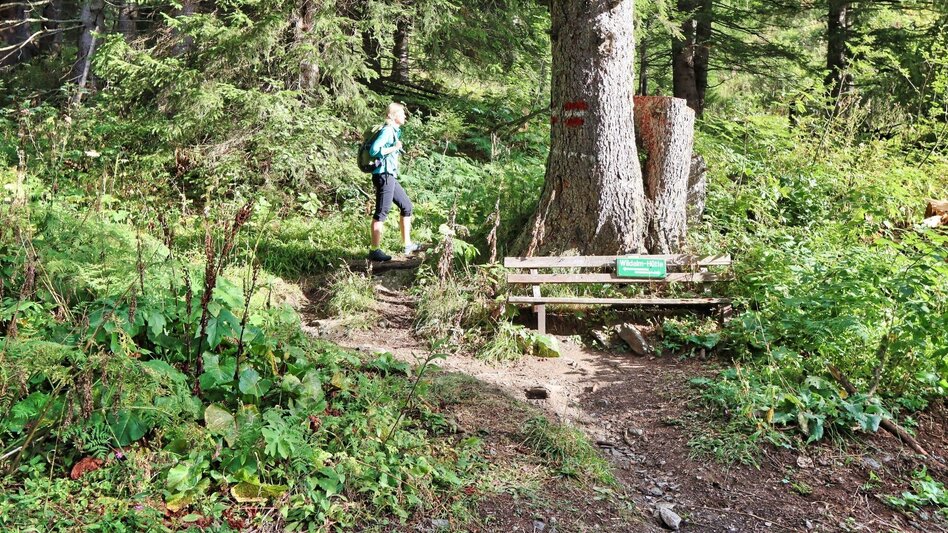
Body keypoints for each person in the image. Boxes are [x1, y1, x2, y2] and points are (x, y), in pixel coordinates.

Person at [367, 102, 418, 262]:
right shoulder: (388, 131)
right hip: (383, 176)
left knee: (407, 206)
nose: (404, 116)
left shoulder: (393, 131)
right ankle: (374, 250)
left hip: (389, 175)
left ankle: (408, 244)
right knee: (381, 212)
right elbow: (374, 150)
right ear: (393, 116)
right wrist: (394, 148)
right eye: (402, 113)